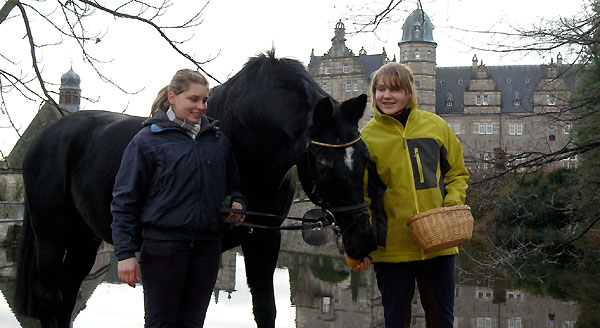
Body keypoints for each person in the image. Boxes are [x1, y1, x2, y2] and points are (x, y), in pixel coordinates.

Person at [111, 68, 247, 328]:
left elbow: (235, 185)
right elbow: (124, 200)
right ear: (173, 97)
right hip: (163, 249)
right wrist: (125, 253)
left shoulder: (218, 141)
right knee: (161, 323)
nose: (201, 107)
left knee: (193, 323)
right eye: (193, 99)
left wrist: (238, 202)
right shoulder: (148, 140)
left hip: (207, 249)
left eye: (205, 101)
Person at [360, 62, 469, 327]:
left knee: (441, 319)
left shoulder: (436, 126)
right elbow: (362, 197)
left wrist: (451, 207)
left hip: (439, 243)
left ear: (409, 93)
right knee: (395, 320)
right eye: (381, 89)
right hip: (392, 248)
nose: (386, 96)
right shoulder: (366, 138)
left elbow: (457, 174)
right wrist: (360, 244)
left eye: (395, 90)